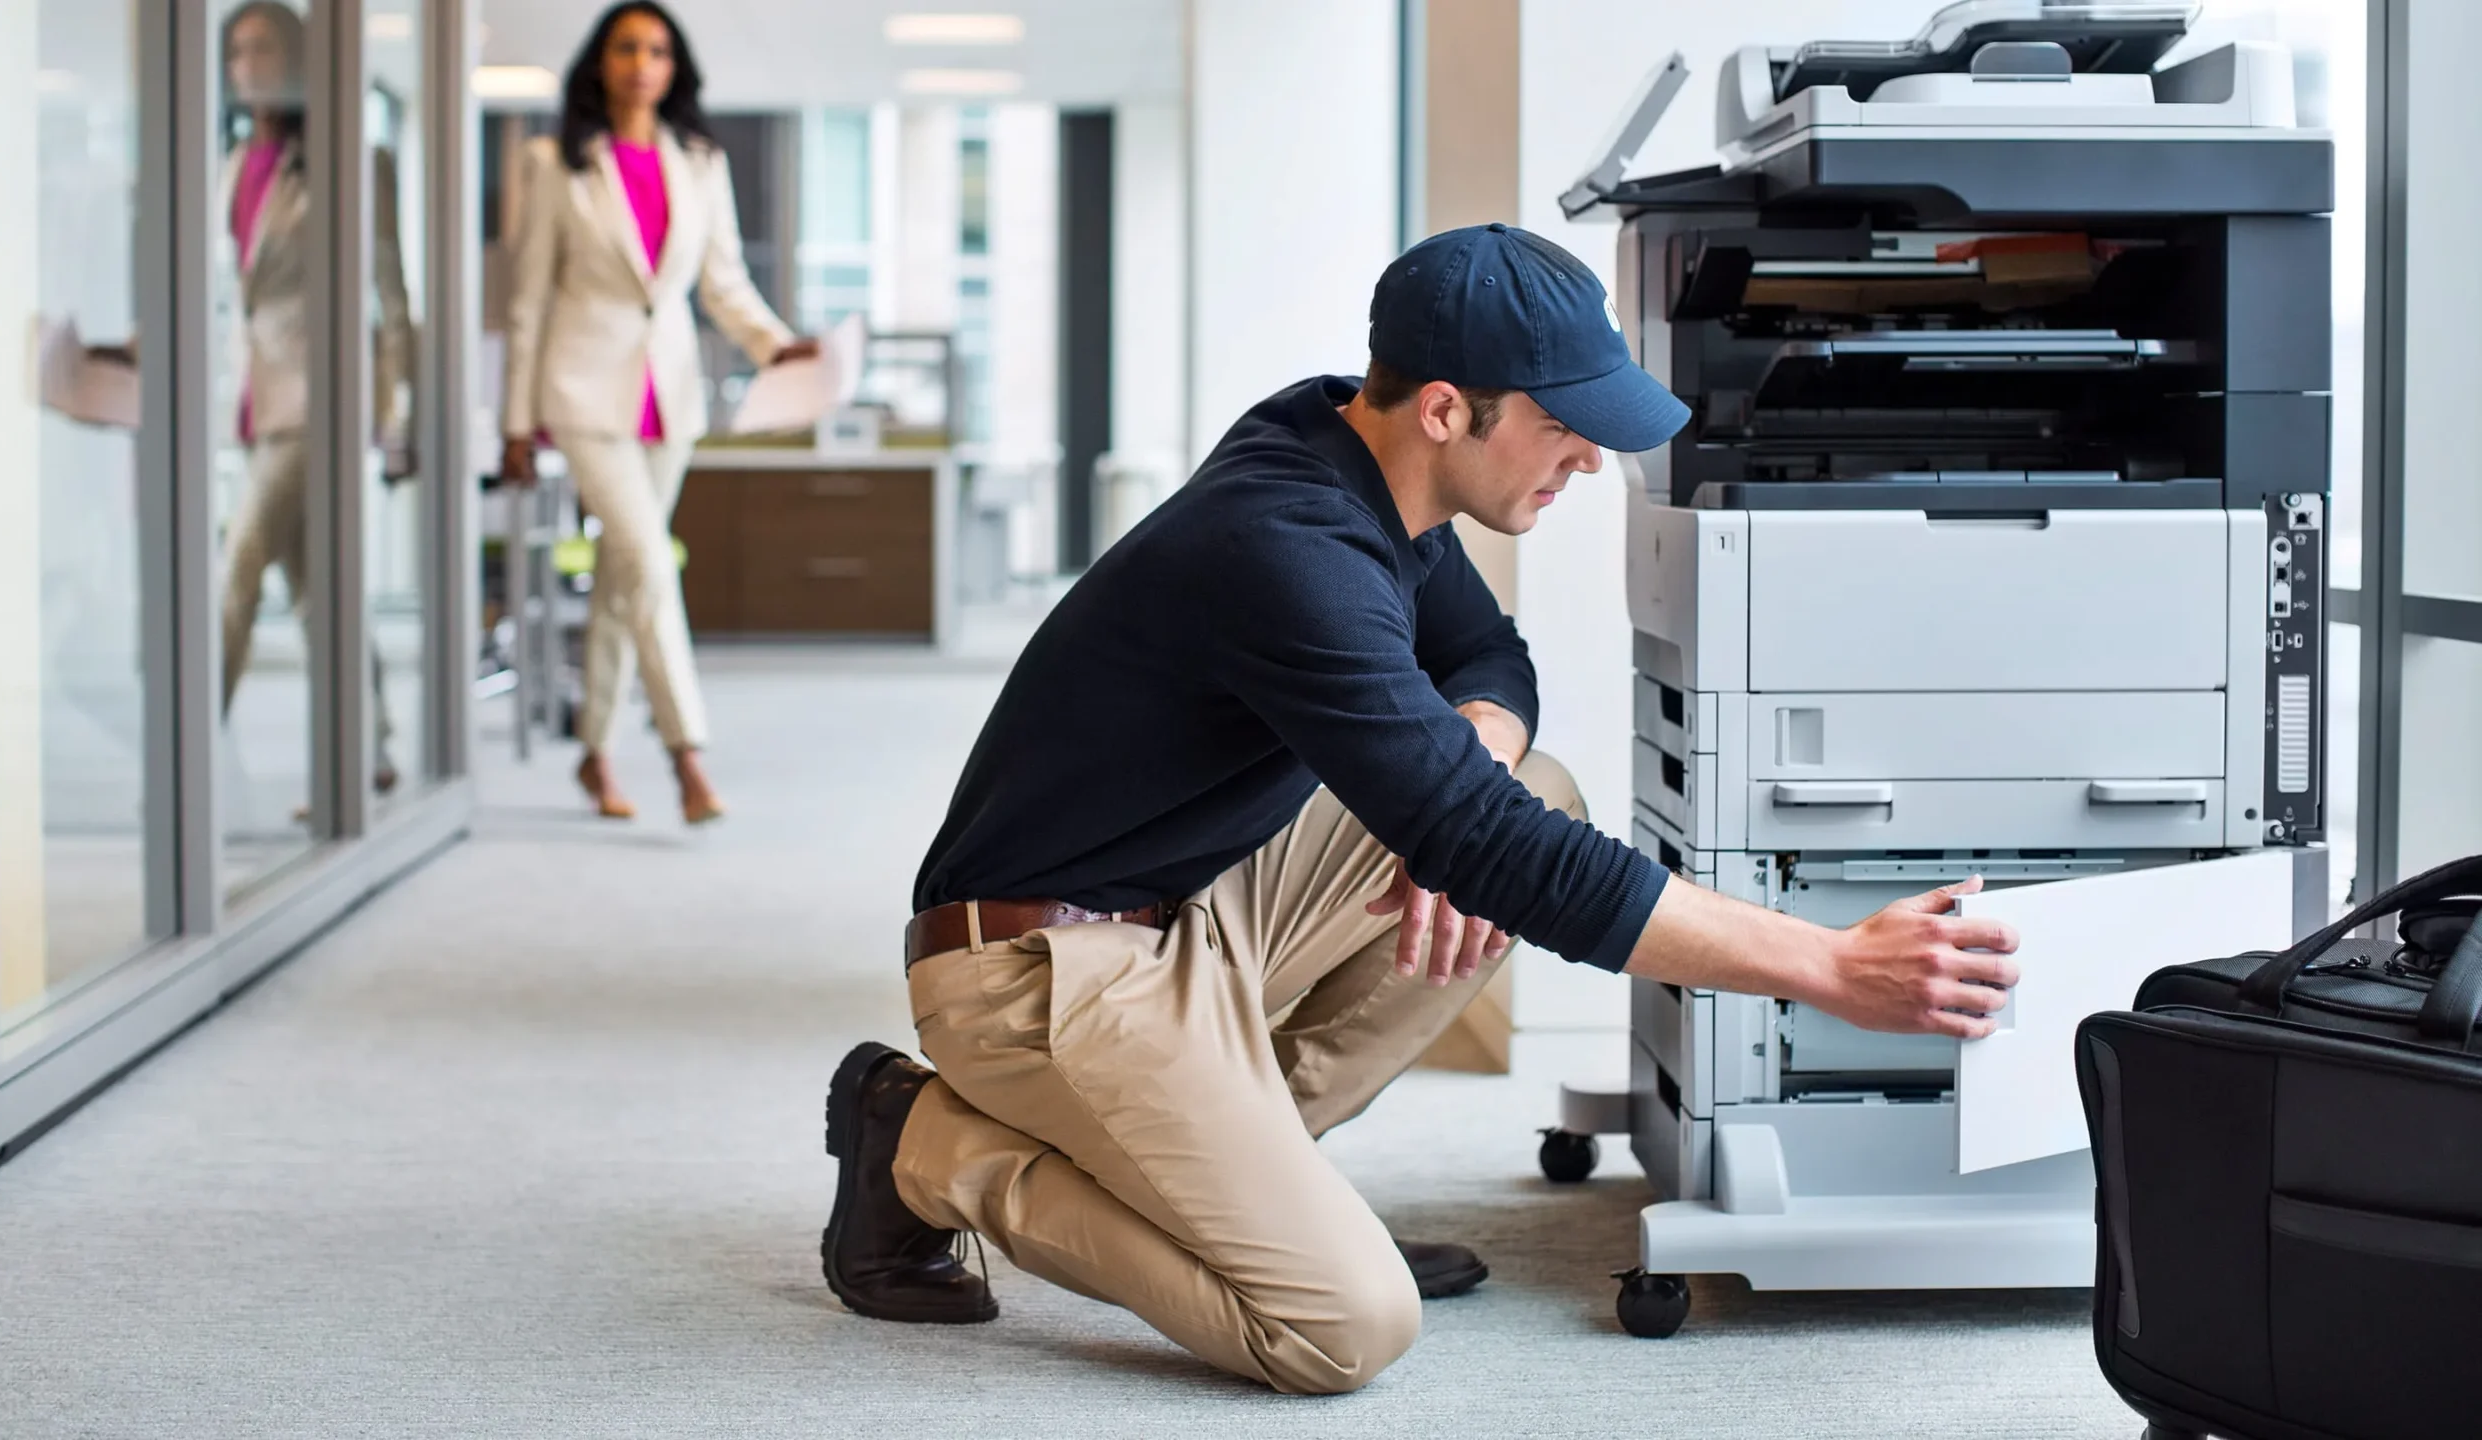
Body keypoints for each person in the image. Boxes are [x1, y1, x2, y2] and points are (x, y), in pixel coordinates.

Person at [820, 224, 2026, 1395]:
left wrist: (1477, 753)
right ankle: (922, 1147)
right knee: (1340, 1326)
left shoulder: (1354, 454)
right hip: (1037, 968)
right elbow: (1504, 857)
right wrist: (1825, 965)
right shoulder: (1286, 543)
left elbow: (1491, 659)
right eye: (1564, 429)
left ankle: (1253, 1187)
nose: (1589, 462)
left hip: (1188, 909)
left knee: (1524, 788)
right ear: (1448, 409)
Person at [500, 1, 815, 825]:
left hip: (667, 399)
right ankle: (689, 757)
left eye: (658, 50)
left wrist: (776, 347)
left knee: (621, 579)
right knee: (648, 560)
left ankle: (595, 753)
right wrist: (514, 419)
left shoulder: (700, 163)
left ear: (674, 68)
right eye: (626, 48)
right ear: (599, 64)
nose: (643, 62)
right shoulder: (554, 162)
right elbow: (528, 300)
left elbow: (724, 284)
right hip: (579, 392)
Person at [217, 0, 413, 796]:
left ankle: (189, 748)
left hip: (321, 398)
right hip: (253, 401)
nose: (248, 65)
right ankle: (368, 741)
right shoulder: (230, 165)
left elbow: (392, 298)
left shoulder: (356, 163)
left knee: (234, 568)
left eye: (264, 47)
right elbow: (228, 293)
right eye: (236, 52)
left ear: (299, 59)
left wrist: (396, 412)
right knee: (317, 591)